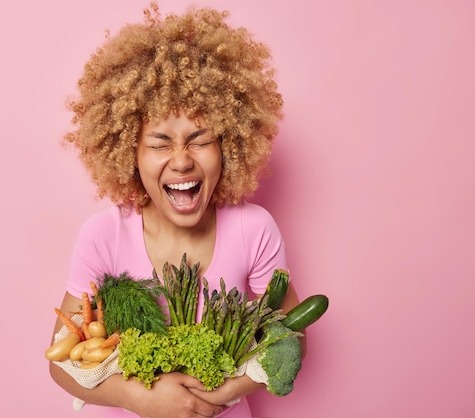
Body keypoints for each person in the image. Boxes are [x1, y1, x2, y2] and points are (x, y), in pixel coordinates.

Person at [49, 4, 306, 417]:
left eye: (200, 140)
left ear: (229, 145)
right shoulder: (102, 236)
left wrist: (222, 393)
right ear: (128, 152)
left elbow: (293, 335)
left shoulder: (254, 229)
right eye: (159, 143)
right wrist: (137, 396)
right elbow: (60, 363)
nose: (182, 161)